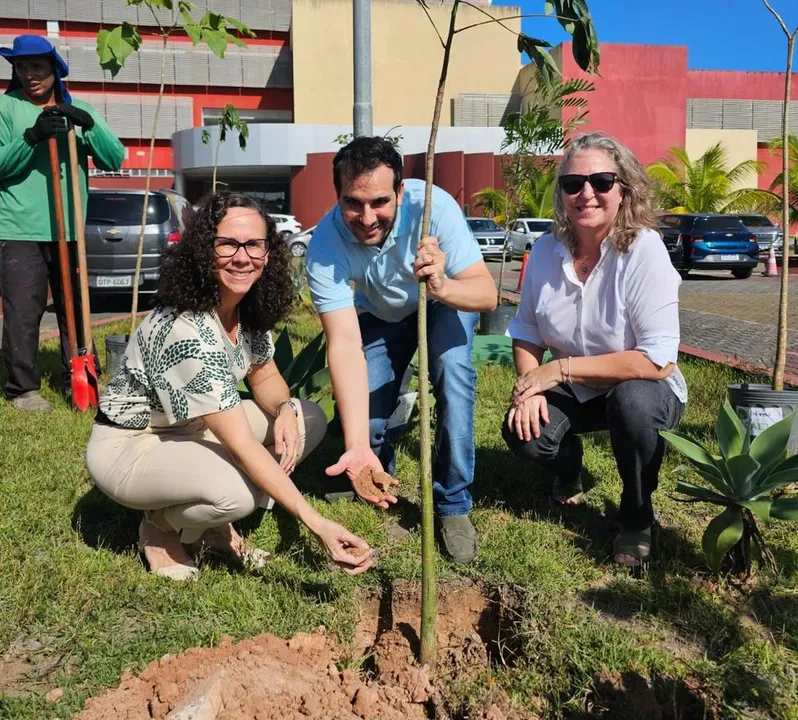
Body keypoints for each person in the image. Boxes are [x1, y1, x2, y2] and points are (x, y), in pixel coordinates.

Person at [85, 192, 374, 580]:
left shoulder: (242, 308)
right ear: (205, 251)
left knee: (309, 417)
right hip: (134, 444)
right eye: (227, 244)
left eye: (254, 244)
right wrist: (316, 523)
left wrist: (285, 408)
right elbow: (241, 444)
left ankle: (205, 523)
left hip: (193, 427)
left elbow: (265, 375)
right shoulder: (184, 329)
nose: (242, 257)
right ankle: (160, 528)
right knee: (238, 493)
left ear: (268, 253)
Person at [305, 136, 497, 565]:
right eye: (353, 203)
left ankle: (452, 504)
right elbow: (344, 343)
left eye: (379, 201)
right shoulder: (325, 246)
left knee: (454, 374)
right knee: (366, 419)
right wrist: (355, 443)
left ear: (401, 191)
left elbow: (486, 295)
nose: (367, 217)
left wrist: (442, 285)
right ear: (337, 196)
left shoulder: (436, 209)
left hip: (443, 303)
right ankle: (375, 468)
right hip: (382, 315)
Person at [502, 131, 687, 568]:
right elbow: (527, 331)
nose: (586, 193)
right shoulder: (546, 251)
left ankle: (636, 515)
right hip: (580, 389)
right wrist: (529, 389)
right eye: (573, 184)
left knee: (633, 404)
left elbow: (657, 359)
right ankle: (569, 469)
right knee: (522, 432)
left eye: (601, 182)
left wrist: (559, 370)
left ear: (623, 189)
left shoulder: (644, 250)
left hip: (642, 387)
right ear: (562, 194)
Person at [0, 35, 125, 413]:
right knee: (23, 310)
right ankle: (23, 389)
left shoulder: (78, 108)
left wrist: (87, 125)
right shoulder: (5, 108)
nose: (30, 74)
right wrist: (32, 137)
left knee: (78, 310)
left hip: (70, 230)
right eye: (22, 67)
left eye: (37, 66)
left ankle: (84, 372)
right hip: (19, 229)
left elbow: (114, 158)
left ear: (55, 69)